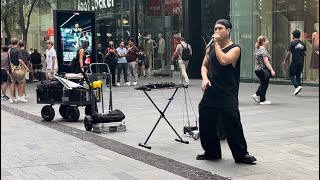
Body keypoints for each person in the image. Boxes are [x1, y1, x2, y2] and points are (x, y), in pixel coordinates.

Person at [197, 19, 256, 164]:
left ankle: (241, 154)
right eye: (215, 28)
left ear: (228, 31)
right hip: (211, 91)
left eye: (220, 29)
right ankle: (212, 152)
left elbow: (223, 60)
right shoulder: (210, 48)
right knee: (205, 119)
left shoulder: (235, 48)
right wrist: (204, 78)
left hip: (227, 93)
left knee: (232, 122)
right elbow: (204, 66)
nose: (216, 31)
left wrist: (216, 44)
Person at [252, 36, 276, 105]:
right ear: (263, 42)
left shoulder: (258, 49)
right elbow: (266, 62)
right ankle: (262, 100)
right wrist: (271, 70)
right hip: (262, 69)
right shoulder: (263, 50)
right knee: (264, 84)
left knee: (263, 83)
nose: (268, 41)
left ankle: (257, 95)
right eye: (267, 40)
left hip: (257, 69)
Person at [283, 29, 306, 95]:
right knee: (298, 76)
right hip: (301, 62)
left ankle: (297, 86)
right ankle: (298, 90)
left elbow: (289, 53)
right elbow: (305, 53)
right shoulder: (303, 43)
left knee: (291, 75)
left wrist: (285, 61)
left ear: (293, 35)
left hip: (295, 62)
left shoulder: (292, 43)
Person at [8, 38, 29, 103]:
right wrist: (25, 67)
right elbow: (20, 59)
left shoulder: (9, 50)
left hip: (11, 68)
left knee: (12, 82)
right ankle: (20, 96)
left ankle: (12, 98)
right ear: (17, 43)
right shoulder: (18, 50)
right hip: (18, 68)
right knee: (22, 82)